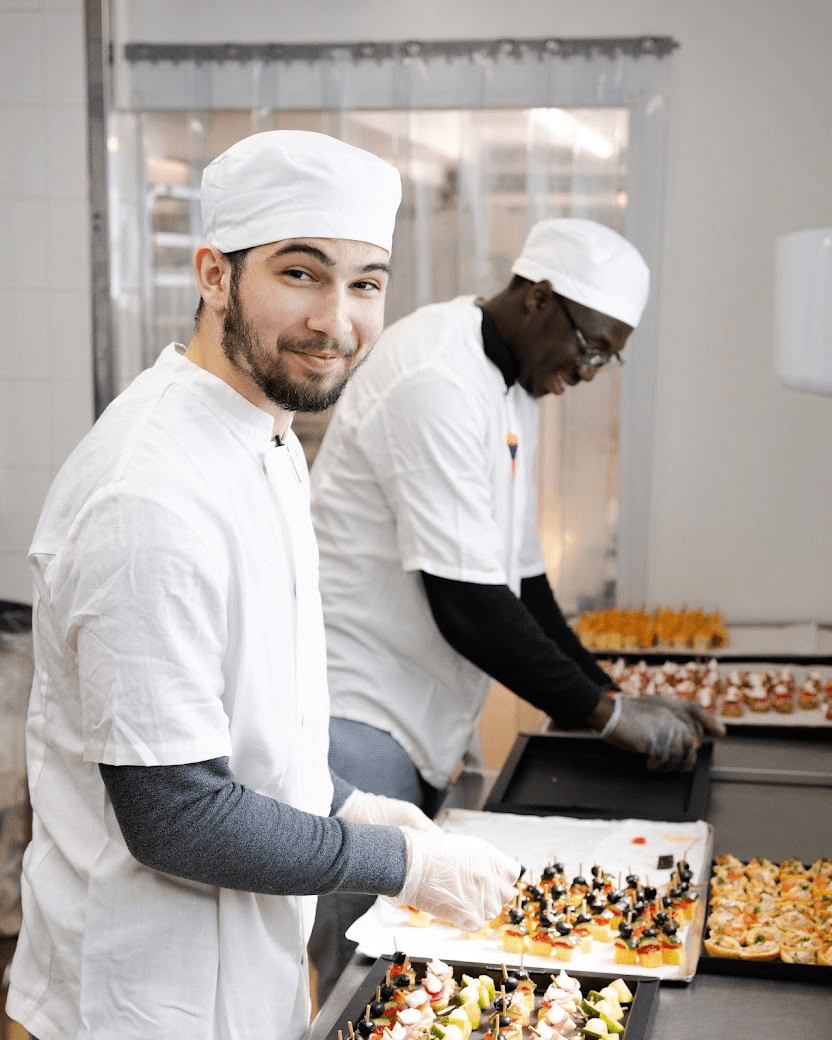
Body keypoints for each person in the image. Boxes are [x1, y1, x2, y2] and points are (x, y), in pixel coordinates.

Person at [6, 130, 521, 1040]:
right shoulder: (149, 496)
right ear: (214, 274)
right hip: (136, 1005)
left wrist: (339, 801)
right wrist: (395, 862)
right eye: (299, 273)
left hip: (241, 982)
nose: (338, 320)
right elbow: (176, 816)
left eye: (365, 282)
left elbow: (244, 722)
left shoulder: (269, 436)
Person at [307, 217, 726, 993]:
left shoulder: (512, 386)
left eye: (611, 357)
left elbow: (523, 584)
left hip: (421, 711)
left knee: (415, 969)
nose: (593, 370)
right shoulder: (435, 378)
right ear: (539, 298)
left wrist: (612, 693)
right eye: (592, 346)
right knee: (364, 973)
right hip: (359, 715)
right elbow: (468, 606)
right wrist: (604, 716)